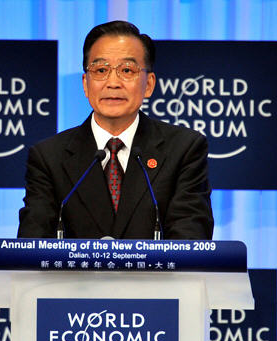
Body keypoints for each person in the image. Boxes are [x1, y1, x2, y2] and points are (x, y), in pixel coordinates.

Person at [18, 20, 213, 239]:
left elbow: (191, 241)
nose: (113, 82)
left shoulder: (183, 149)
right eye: (101, 70)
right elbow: (31, 244)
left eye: (127, 70)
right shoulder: (48, 157)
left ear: (149, 84)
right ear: (85, 84)